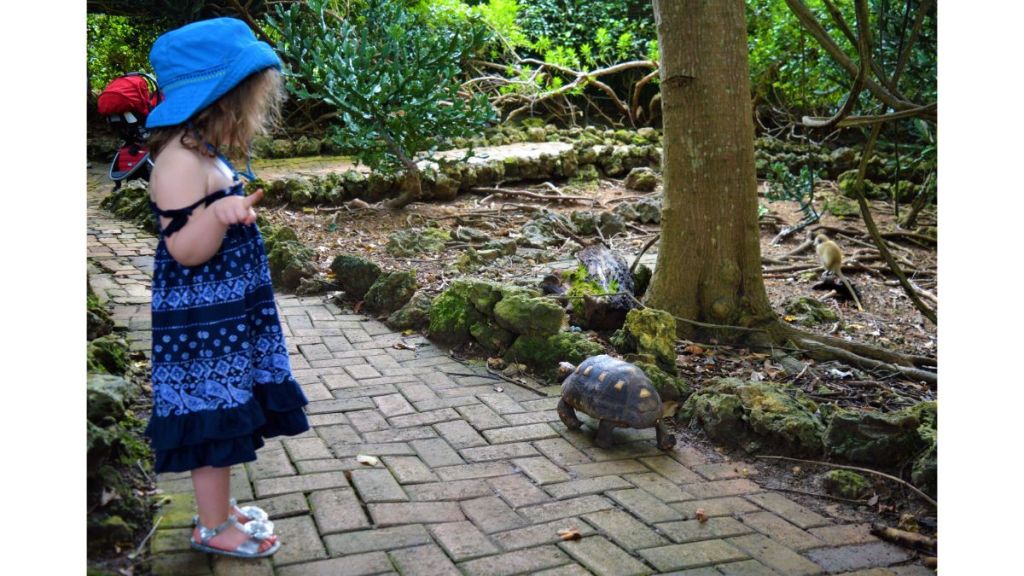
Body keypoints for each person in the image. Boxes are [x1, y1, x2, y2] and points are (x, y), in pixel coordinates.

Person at [142, 17, 310, 559]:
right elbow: (185, 250)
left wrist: (224, 207)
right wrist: (221, 212)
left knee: (229, 404)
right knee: (209, 416)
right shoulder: (177, 162)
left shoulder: (201, 151)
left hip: (223, 313)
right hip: (199, 324)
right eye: (251, 99)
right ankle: (211, 528)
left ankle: (223, 510)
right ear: (222, 100)